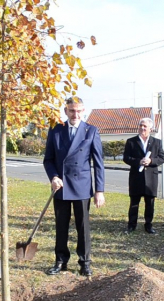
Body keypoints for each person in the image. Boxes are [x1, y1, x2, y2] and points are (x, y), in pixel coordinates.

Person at [43, 96, 105, 276]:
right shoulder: (55, 130)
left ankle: (85, 262)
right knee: (61, 225)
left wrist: (99, 190)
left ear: (83, 111)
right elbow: (48, 160)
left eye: (78, 111)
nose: (75, 114)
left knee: (82, 226)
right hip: (60, 185)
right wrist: (53, 176)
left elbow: (98, 163)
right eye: (72, 110)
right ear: (66, 111)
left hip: (82, 186)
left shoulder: (91, 131)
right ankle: (60, 261)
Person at [123, 117, 164, 234]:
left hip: (151, 177)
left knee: (150, 203)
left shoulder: (156, 142)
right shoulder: (131, 141)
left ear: (150, 129)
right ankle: (131, 225)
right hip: (136, 177)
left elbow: (162, 157)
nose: (142, 128)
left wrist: (151, 161)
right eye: (141, 125)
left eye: (145, 126)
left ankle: (148, 225)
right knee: (134, 203)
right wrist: (138, 161)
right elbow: (126, 158)